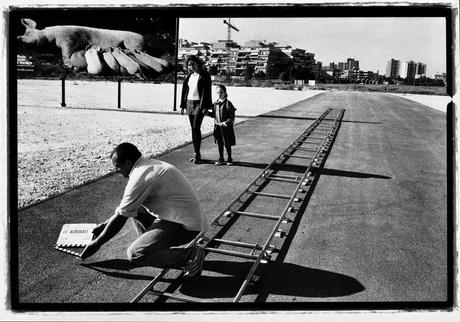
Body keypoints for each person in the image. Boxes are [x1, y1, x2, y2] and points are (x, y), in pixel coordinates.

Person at [80, 142, 209, 281]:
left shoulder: (140, 176)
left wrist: (96, 244)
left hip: (186, 227)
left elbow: (121, 217)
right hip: (180, 217)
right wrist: (104, 225)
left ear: (128, 163)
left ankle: (190, 255)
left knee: (135, 254)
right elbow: (125, 209)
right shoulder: (147, 165)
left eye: (117, 167)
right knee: (136, 208)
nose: (116, 171)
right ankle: (151, 248)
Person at [180, 55, 212, 164]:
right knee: (193, 129)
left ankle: (197, 154)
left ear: (198, 63)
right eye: (189, 65)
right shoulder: (189, 76)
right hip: (189, 103)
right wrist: (183, 106)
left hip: (199, 104)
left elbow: (207, 92)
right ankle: (195, 152)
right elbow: (185, 91)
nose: (191, 67)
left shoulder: (205, 75)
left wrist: (206, 107)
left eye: (193, 64)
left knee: (195, 128)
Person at [207, 84, 236, 166]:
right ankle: (221, 158)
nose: (219, 94)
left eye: (221, 92)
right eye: (218, 92)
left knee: (227, 143)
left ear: (225, 92)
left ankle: (229, 158)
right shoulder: (215, 103)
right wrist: (207, 113)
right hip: (217, 126)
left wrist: (226, 122)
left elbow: (231, 117)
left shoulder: (228, 104)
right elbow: (214, 114)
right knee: (219, 143)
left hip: (226, 127)